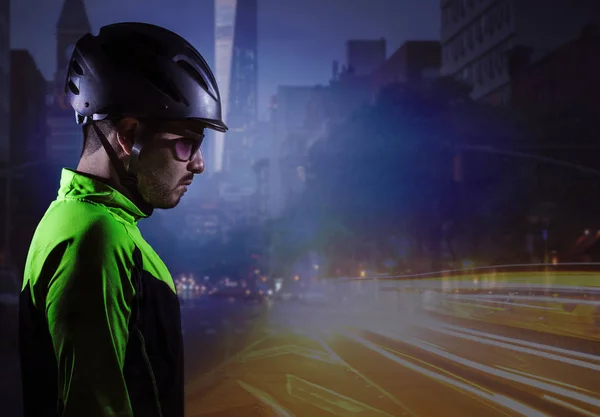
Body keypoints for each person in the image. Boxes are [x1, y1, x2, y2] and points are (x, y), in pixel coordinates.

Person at [18, 22, 227, 417]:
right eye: (188, 142)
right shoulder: (96, 239)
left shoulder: (78, 221)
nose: (198, 164)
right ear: (128, 136)